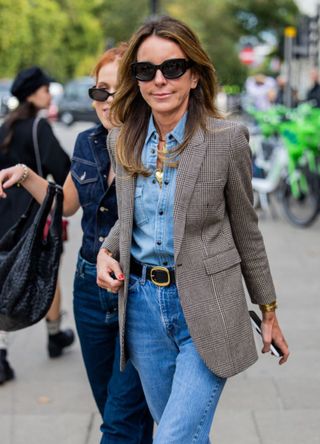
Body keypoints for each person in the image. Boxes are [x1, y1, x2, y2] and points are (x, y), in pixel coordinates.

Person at [96, 16, 290, 443]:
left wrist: (269, 309)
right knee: (182, 433)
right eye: (145, 70)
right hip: (144, 309)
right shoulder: (122, 141)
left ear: (196, 75)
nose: (159, 80)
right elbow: (131, 218)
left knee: (173, 438)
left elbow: (247, 229)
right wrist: (106, 251)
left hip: (207, 306)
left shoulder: (227, 139)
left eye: (173, 68)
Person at [0, 45, 153, 444]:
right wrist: (25, 175)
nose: (106, 101)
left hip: (137, 293)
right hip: (88, 290)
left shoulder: (156, 147)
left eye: (117, 90)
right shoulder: (88, 142)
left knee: (121, 420)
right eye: (99, 91)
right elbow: (67, 204)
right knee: (113, 408)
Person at [0, 66, 74, 385]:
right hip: (33, 213)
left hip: (3, 212)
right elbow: (62, 166)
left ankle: (1, 355)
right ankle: (55, 335)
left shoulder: (5, 126)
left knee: (3, 276)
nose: (49, 93)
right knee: (46, 269)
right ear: (33, 93)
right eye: (45, 88)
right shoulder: (39, 127)